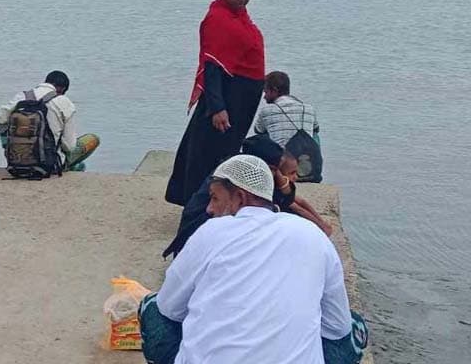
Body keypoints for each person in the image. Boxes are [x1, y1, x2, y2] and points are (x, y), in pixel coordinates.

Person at [141, 155, 366, 364]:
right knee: (354, 325)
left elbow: (169, 309)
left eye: (214, 198)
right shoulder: (312, 234)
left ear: (240, 197)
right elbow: (338, 328)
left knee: (151, 307)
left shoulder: (212, 232)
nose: (209, 209)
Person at [166, 0, 266, 206]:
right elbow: (212, 66)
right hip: (226, 98)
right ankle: (200, 206)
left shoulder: (241, 19)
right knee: (208, 154)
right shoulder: (217, 19)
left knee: (225, 151)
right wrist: (217, 108)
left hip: (242, 99)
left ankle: (220, 204)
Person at [162, 135, 330, 259]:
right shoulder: (236, 178)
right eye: (274, 170)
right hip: (198, 237)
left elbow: (286, 200)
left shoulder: (244, 169)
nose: (276, 175)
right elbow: (284, 204)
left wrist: (279, 179)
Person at [0, 71, 98, 172]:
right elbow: (69, 146)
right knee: (92, 139)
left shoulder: (22, 96)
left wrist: (7, 145)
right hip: (49, 164)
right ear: (62, 89)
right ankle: (70, 168)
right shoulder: (63, 102)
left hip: (16, 163)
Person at [254, 71, 320, 148]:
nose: (264, 97)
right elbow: (316, 128)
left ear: (275, 90)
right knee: (314, 134)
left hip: (282, 157)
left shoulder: (267, 110)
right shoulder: (309, 108)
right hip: (306, 156)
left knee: (263, 134)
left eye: (266, 92)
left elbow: (258, 130)